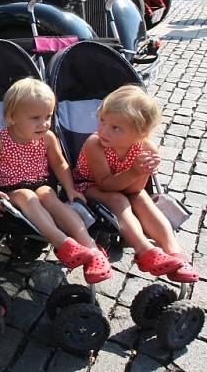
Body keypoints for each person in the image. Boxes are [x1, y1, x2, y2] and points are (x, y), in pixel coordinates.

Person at [0, 78, 112, 283]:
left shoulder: (47, 137)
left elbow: (60, 164)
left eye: (48, 116)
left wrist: (70, 189)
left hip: (41, 184)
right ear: (12, 117)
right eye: (35, 118)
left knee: (48, 196)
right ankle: (64, 244)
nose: (44, 123)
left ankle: (92, 249)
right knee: (27, 195)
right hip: (10, 191)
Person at [73, 85, 199, 283]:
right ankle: (144, 250)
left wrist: (142, 172)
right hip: (89, 186)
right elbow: (105, 185)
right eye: (103, 121)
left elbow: (135, 190)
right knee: (118, 199)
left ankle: (175, 253)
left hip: (125, 188)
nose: (103, 130)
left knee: (142, 199)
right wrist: (135, 171)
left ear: (141, 134)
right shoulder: (94, 144)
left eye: (115, 128)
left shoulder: (146, 148)